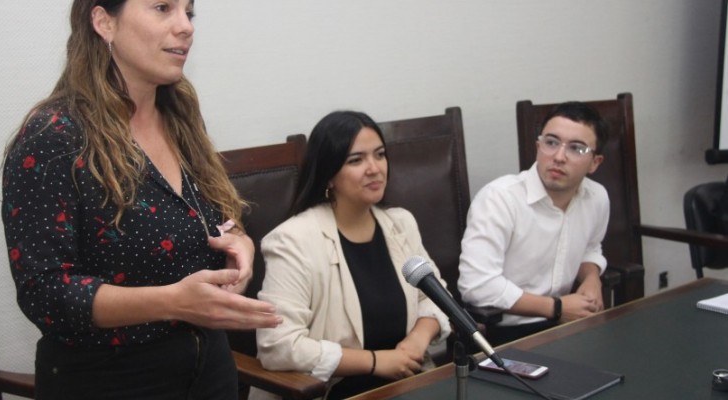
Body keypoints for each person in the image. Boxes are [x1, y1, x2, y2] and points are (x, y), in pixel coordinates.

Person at [1, 1, 281, 399]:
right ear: (103, 21)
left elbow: (214, 216)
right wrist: (172, 303)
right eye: (163, 8)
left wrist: (240, 243)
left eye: (190, 12)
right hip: (111, 380)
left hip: (211, 370)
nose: (185, 27)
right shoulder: (55, 137)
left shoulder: (180, 114)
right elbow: (44, 292)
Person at [249, 111, 451, 400]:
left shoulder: (400, 224)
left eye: (379, 155)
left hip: (408, 384)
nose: (374, 168)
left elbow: (434, 296)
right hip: (333, 391)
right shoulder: (293, 241)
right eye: (356, 160)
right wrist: (375, 361)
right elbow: (279, 346)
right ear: (329, 174)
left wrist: (418, 340)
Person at [458, 101, 609, 346]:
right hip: (505, 334)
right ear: (538, 146)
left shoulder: (597, 197)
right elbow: (477, 285)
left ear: (595, 162)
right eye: (551, 143)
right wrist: (556, 308)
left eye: (576, 148)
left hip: (570, 324)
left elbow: (591, 248)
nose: (559, 157)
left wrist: (592, 278)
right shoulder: (499, 198)